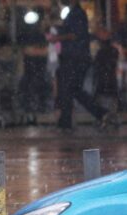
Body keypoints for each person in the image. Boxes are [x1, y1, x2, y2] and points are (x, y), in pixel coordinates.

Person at [47, 0, 109, 131]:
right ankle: (98, 113)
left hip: (75, 58)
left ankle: (67, 122)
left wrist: (58, 38)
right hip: (74, 57)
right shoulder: (74, 13)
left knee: (68, 89)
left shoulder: (77, 13)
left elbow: (75, 34)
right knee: (71, 90)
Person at [93, 28, 120, 128]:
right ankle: (108, 118)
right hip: (109, 78)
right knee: (110, 98)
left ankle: (104, 118)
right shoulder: (112, 51)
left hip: (105, 78)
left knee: (103, 97)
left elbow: (98, 64)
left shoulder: (103, 52)